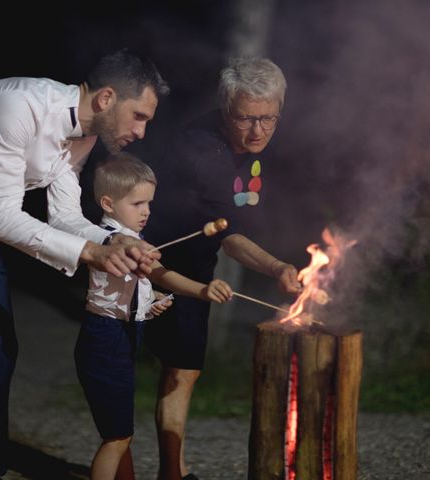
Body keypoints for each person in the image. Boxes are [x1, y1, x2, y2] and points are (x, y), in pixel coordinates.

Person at [0, 50, 169, 480]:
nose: (141, 130)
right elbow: (4, 219)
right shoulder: (19, 106)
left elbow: (65, 217)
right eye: (138, 116)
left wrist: (116, 240)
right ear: (106, 98)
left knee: (0, 343)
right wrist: (93, 254)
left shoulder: (86, 135)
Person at [143, 56, 302, 480]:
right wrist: (276, 266)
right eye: (247, 119)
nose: (258, 131)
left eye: (268, 119)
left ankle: (171, 472)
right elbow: (228, 238)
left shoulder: (247, 143)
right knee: (168, 369)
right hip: (153, 261)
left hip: (195, 261)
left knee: (184, 369)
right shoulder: (202, 152)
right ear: (225, 110)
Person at [74, 153, 233, 480]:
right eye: (137, 204)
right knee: (116, 438)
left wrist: (149, 304)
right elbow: (160, 273)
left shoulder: (130, 239)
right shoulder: (109, 240)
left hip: (118, 335)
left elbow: (118, 292)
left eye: (149, 203)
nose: (147, 211)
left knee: (121, 432)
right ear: (107, 203)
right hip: (106, 340)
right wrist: (202, 291)